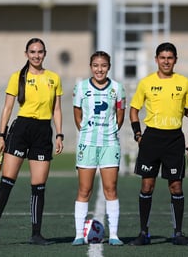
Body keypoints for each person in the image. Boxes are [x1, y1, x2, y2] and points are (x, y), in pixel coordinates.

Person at [0, 38, 64, 246]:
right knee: (7, 181)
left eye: (40, 52)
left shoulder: (54, 78)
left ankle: (36, 234)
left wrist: (59, 134)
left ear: (45, 54)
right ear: (26, 54)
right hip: (21, 129)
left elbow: (56, 109)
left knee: (39, 186)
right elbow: (7, 108)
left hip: (42, 131)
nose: (36, 55)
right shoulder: (17, 77)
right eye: (32, 52)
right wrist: (1, 136)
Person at [128, 42, 188, 246]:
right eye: (162, 57)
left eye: (170, 58)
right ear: (156, 59)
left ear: (175, 60)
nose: (166, 61)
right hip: (151, 139)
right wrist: (138, 134)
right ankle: (144, 233)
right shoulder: (146, 82)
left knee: (176, 186)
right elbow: (134, 109)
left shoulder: (184, 82)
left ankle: (178, 233)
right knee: (147, 185)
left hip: (174, 139)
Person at [71, 51, 126, 246]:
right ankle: (79, 234)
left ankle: (114, 235)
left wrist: (109, 131)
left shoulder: (118, 88)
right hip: (87, 143)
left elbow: (120, 114)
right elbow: (77, 114)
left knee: (111, 188)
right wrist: (87, 132)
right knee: (84, 189)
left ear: (108, 67)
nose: (99, 69)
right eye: (95, 65)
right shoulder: (81, 87)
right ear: (91, 66)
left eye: (103, 65)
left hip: (110, 143)